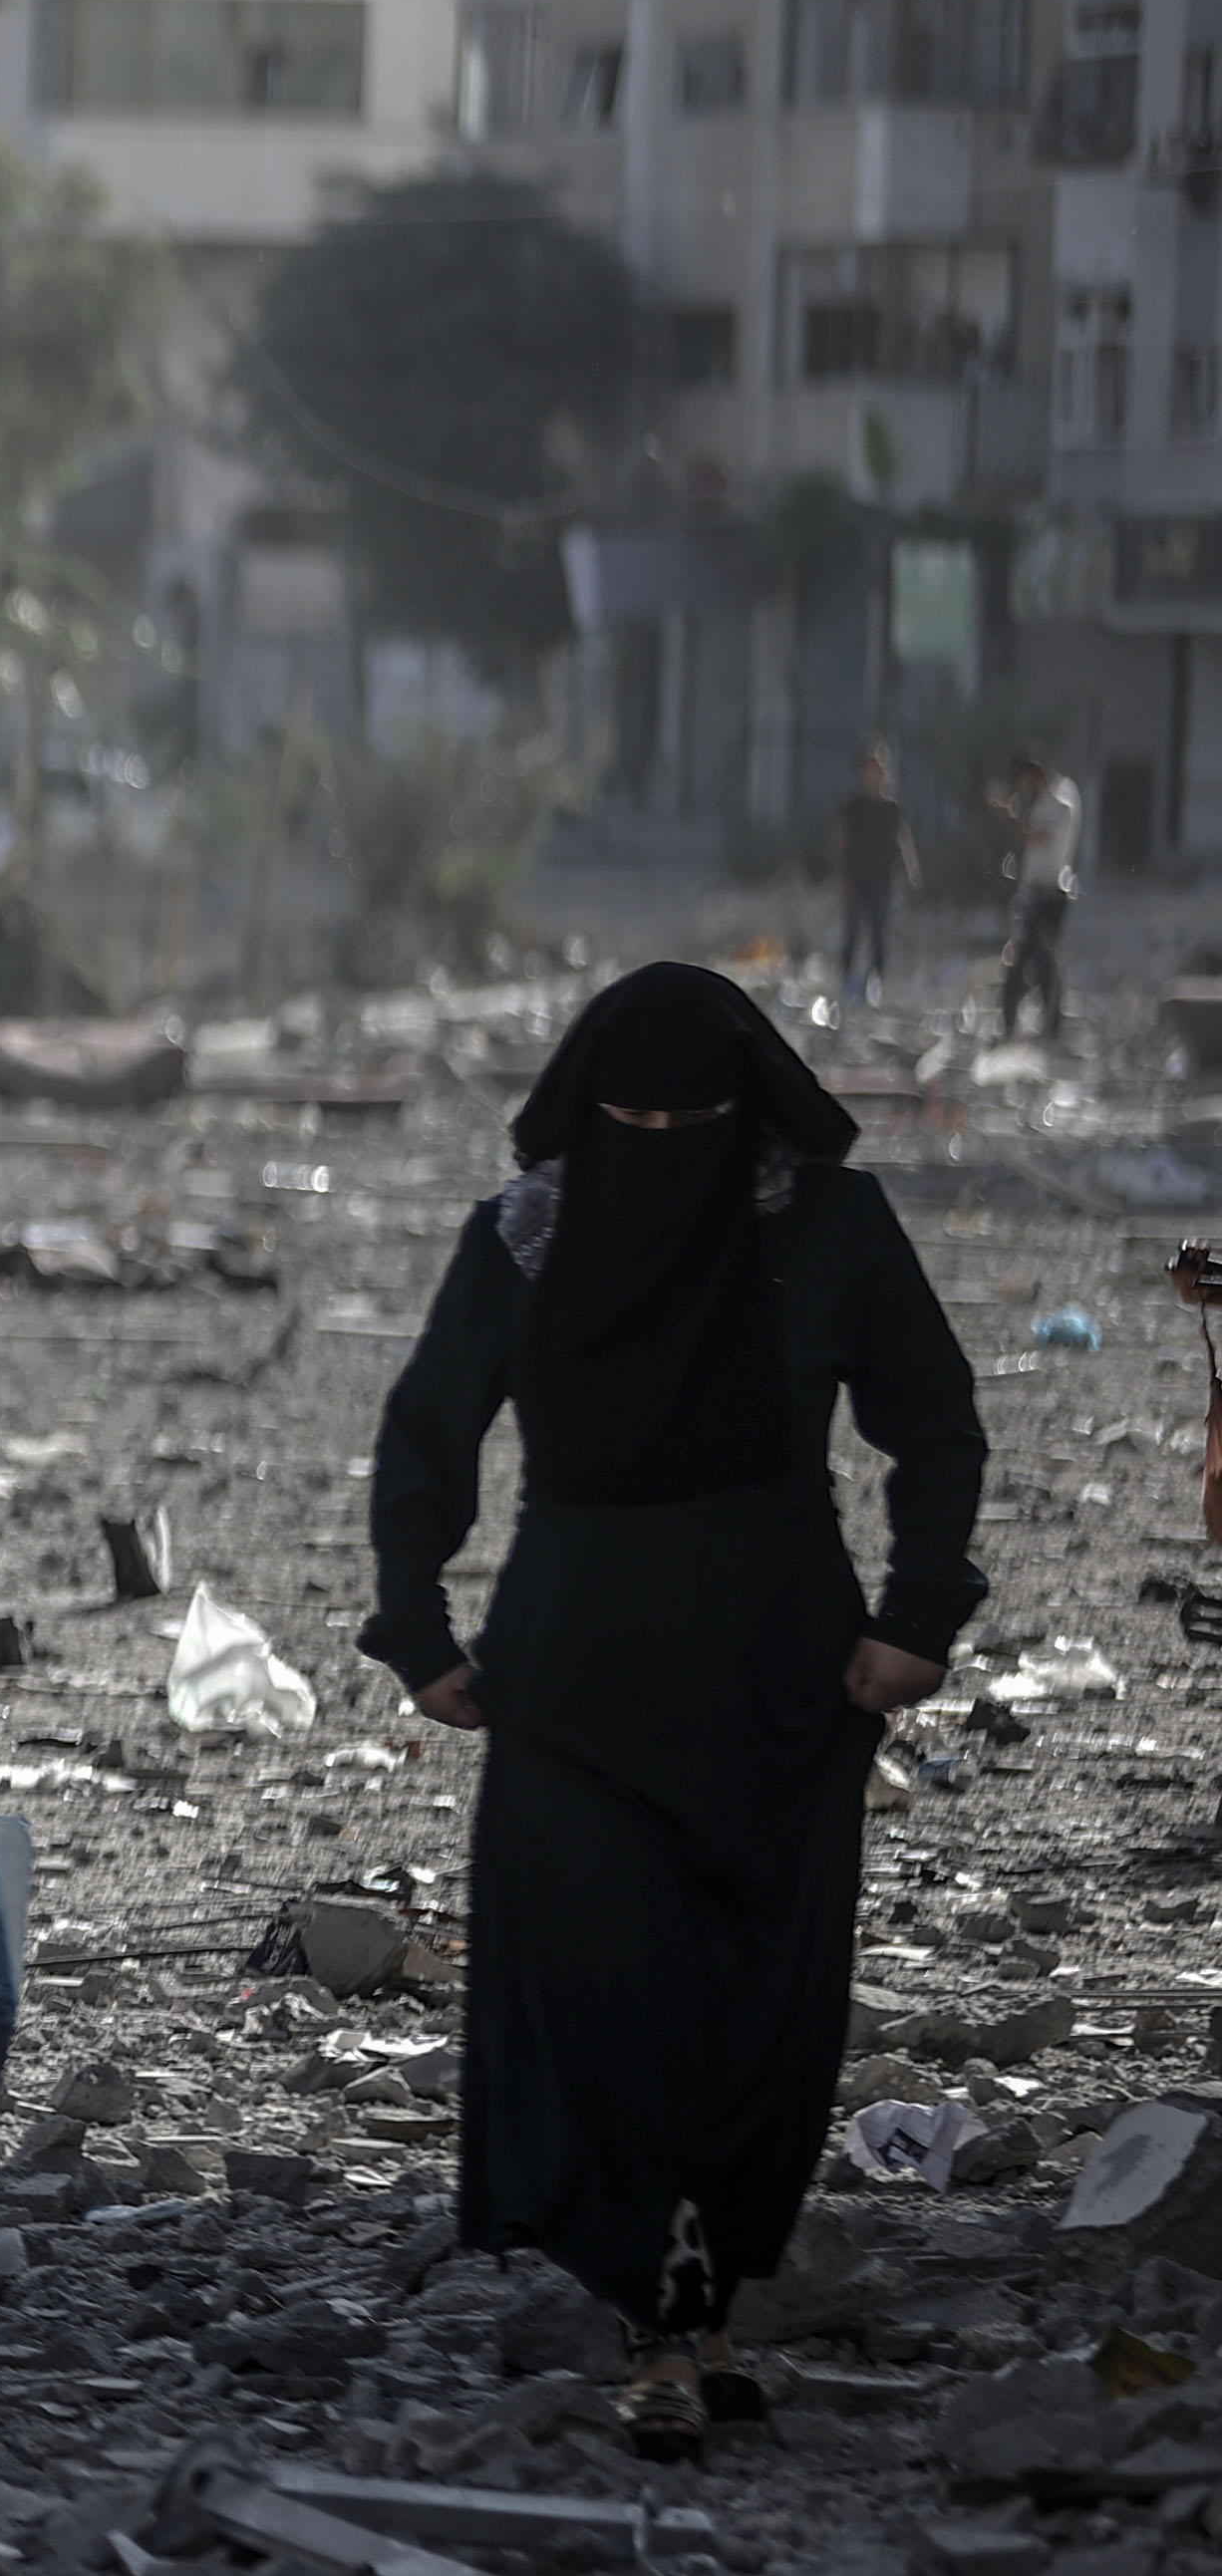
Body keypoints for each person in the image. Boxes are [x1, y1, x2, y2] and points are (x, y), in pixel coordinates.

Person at [361, 963, 983, 2460]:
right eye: (628, 1116)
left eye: (686, 1119)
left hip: (782, 1678)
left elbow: (933, 1418)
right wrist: (416, 1623)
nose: (657, 1140)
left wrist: (917, 1620)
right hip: (573, 1681)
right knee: (607, 1996)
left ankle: (703, 2307)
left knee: (757, 2012)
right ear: (586, 1113)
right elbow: (427, 1432)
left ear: (744, 1115)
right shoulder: (526, 1237)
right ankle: (657, 2320)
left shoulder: (827, 1229)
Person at [987, 748, 1082, 1039]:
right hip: (1032, 894)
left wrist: (1009, 815)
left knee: (1044, 960)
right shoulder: (1040, 804)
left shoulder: (1061, 804)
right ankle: (1009, 1024)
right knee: (1019, 960)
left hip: (1051, 895)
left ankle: (1050, 1024)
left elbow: (1035, 837)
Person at [827, 742, 909, 1011]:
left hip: (882, 880)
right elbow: (841, 842)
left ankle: (876, 986)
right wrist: (841, 879)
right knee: (852, 931)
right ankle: (845, 983)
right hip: (857, 879)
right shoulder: (853, 806)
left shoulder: (890, 808)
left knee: (879, 933)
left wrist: (910, 869)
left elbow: (901, 839)